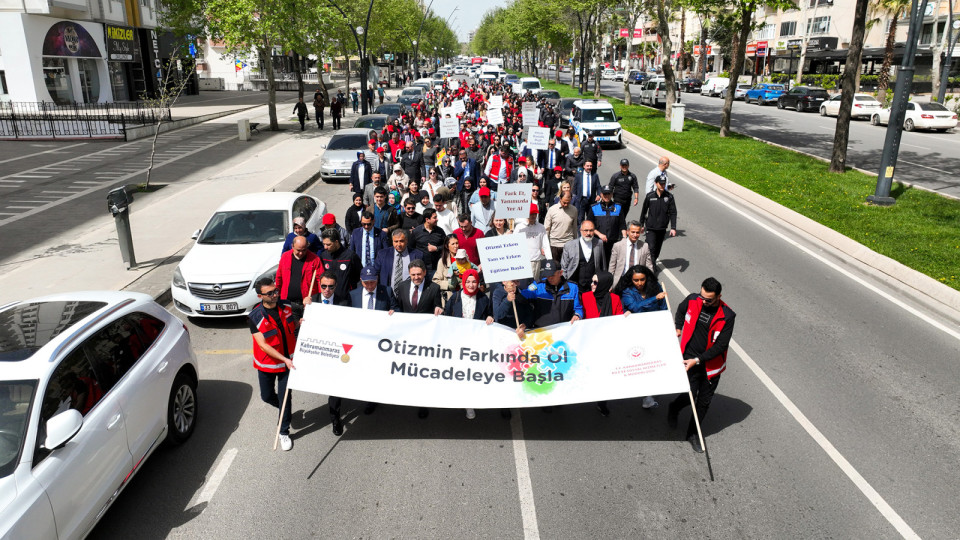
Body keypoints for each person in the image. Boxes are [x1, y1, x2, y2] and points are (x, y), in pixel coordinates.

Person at [668, 277, 735, 453]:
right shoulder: (692, 299)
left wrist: (698, 360)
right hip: (688, 359)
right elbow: (680, 311)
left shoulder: (728, 316)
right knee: (689, 393)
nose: (704, 301)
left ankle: (692, 433)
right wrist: (678, 326)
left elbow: (721, 346)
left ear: (719, 297)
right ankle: (674, 407)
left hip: (711, 366)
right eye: (702, 296)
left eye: (709, 299)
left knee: (703, 402)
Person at [249, 278, 298, 451]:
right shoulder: (254, 317)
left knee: (285, 397)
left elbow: (293, 325)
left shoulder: (287, 306)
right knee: (267, 396)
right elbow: (263, 345)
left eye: (276, 290)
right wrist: (283, 359)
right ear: (260, 296)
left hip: (287, 364)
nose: (275, 295)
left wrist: (300, 321)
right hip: (268, 365)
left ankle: (283, 432)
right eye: (270, 293)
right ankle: (285, 410)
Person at [443, 268, 494, 420]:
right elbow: (446, 317)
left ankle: (469, 403)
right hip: (457, 342)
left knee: (471, 374)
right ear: (463, 283)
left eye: (474, 282)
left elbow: (490, 314)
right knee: (458, 372)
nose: (471, 285)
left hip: (476, 343)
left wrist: (490, 318)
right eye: (468, 282)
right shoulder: (455, 297)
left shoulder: (484, 299)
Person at [348, 266, 392, 417]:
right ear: (361, 281)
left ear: (377, 279)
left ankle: (373, 399)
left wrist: (394, 312)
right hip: (361, 340)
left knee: (377, 369)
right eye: (366, 283)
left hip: (380, 340)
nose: (369, 285)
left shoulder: (387, 291)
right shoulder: (353, 295)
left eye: (372, 282)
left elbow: (396, 308)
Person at [580, 271, 624, 416]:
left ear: (604, 284)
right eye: (592, 282)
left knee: (604, 375)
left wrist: (626, 317)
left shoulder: (615, 299)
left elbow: (619, 318)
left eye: (595, 282)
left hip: (607, 344)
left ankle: (602, 402)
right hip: (589, 343)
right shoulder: (585, 297)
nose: (592, 285)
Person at [520, 259, 583, 329]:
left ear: (560, 273)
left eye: (552, 275)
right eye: (547, 275)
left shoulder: (573, 288)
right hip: (542, 331)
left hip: (564, 330)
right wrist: (515, 291)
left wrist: (577, 315)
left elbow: (578, 309)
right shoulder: (538, 286)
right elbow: (523, 296)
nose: (549, 278)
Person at [275, 236, 322, 319]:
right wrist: (276, 294)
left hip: (307, 304)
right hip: (288, 303)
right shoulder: (285, 257)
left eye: (304, 250)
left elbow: (320, 281)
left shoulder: (315, 259)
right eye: (298, 250)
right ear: (292, 246)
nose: (301, 253)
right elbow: (279, 277)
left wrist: (318, 299)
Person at [639, 175, 678, 269]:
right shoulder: (650, 196)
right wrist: (641, 225)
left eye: (664, 184)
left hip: (662, 228)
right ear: (656, 184)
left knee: (657, 249)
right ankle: (651, 267)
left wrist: (673, 228)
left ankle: (651, 262)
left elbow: (673, 212)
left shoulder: (669, 197)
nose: (662, 185)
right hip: (651, 227)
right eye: (660, 183)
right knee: (651, 247)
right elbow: (644, 211)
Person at [561, 220, 607, 294]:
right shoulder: (569, 245)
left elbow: (603, 265)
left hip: (592, 287)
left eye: (591, 230)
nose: (588, 233)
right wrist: (565, 285)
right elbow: (564, 267)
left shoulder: (599, 243)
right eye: (586, 230)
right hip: (574, 285)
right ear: (580, 230)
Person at [374, 229, 424, 296]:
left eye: (401, 241)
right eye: (396, 241)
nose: (399, 244)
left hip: (410, 295)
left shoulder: (417, 255)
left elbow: (424, 275)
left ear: (406, 241)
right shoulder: (383, 254)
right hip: (387, 295)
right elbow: (375, 273)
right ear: (392, 241)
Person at [318, 228, 361, 301]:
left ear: (336, 242)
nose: (325, 247)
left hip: (345, 299)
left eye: (328, 244)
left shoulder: (350, 256)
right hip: (329, 298)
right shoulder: (324, 256)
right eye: (324, 244)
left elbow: (358, 275)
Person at [587, 185, 626, 262]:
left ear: (612, 194)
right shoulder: (594, 208)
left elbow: (622, 225)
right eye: (605, 194)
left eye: (609, 194)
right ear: (601, 194)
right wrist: (599, 235)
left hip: (614, 242)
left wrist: (624, 238)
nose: (607, 196)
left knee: (612, 263)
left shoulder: (618, 207)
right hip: (598, 242)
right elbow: (589, 226)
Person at [514, 203, 550, 279]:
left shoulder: (541, 227)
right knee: (523, 283)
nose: (533, 216)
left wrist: (549, 259)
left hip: (536, 260)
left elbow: (546, 244)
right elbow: (513, 243)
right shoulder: (519, 227)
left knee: (534, 283)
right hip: (523, 261)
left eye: (535, 214)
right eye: (531, 214)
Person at [411, 208, 446, 278]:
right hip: (421, 268)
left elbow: (446, 246)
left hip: (436, 267)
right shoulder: (416, 232)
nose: (437, 219)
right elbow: (411, 248)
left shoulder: (440, 231)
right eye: (434, 218)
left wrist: (436, 248)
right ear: (427, 219)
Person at [543, 192, 577, 262]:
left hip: (568, 244)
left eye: (568, 202)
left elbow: (574, 228)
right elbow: (546, 228)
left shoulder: (574, 210)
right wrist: (544, 246)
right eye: (564, 202)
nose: (566, 205)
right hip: (554, 245)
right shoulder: (552, 210)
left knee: (568, 267)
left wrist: (575, 243)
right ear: (560, 199)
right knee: (555, 267)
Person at [432, 234, 461, 304]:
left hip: (463, 296)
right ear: (447, 246)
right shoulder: (442, 261)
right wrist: (450, 285)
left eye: (457, 243)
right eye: (453, 244)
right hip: (449, 298)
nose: (456, 246)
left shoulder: (465, 259)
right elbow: (435, 281)